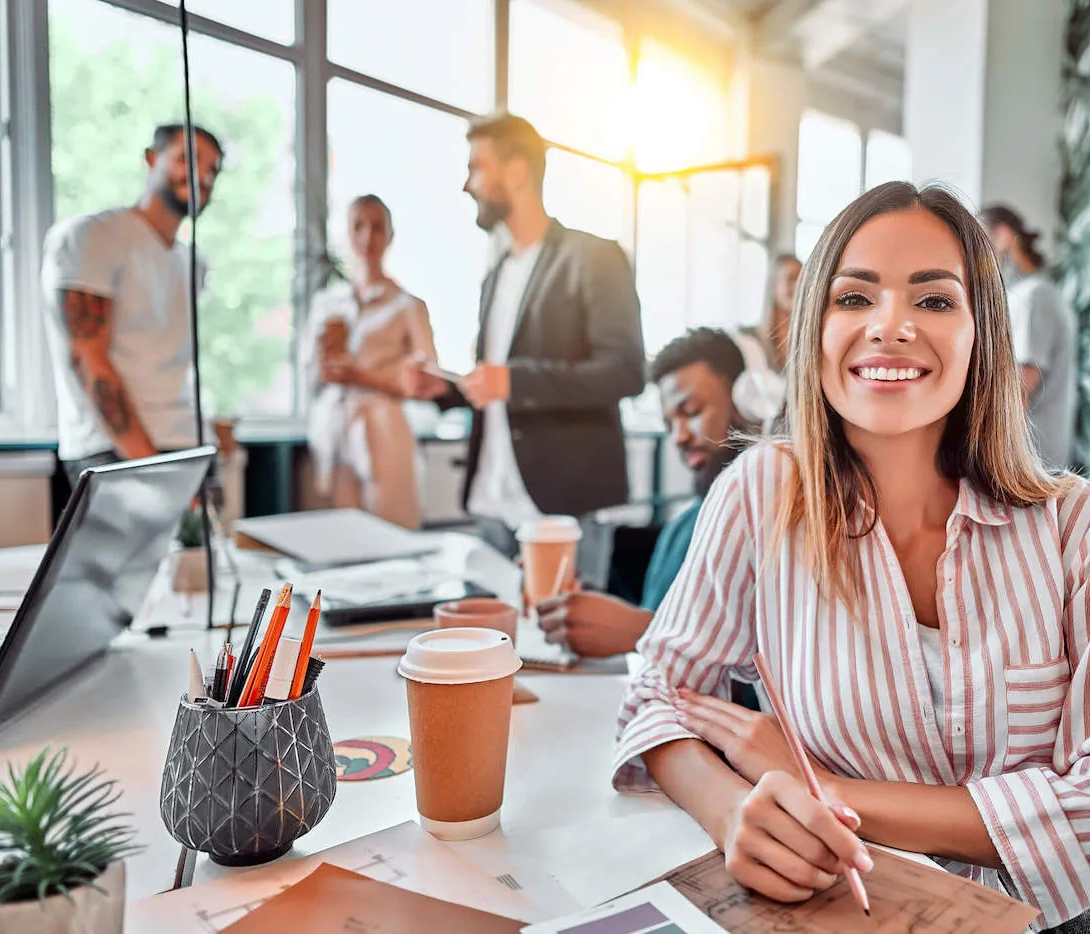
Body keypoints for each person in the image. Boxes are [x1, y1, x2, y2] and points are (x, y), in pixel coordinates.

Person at [613, 182, 1090, 933]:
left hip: (1086, 916)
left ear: (981, 334)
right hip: (865, 902)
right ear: (813, 331)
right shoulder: (763, 493)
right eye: (854, 299)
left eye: (932, 301)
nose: (889, 327)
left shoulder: (1080, 529)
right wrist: (731, 812)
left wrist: (820, 788)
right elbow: (658, 696)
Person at [402, 114, 644, 554]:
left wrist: (514, 380)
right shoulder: (495, 276)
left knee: (562, 625)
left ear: (516, 172)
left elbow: (625, 371)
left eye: (477, 167)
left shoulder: (594, 257)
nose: (467, 184)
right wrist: (447, 388)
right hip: (491, 501)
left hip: (564, 504)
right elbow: (496, 385)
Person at [535, 328, 752, 658]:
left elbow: (772, 674)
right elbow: (654, 617)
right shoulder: (683, 526)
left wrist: (644, 631)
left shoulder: (772, 525)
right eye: (669, 424)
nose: (678, 437)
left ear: (745, 401)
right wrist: (590, 613)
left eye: (691, 412)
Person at [41, 124, 225, 484]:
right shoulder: (93, 236)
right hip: (116, 452)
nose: (202, 176)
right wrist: (152, 466)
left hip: (189, 445)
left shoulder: (193, 262)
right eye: (188, 159)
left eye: (213, 170)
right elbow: (88, 357)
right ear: (152, 159)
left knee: (210, 544)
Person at [302, 195, 437, 529]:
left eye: (377, 228)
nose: (367, 237)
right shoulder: (327, 305)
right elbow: (309, 376)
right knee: (338, 539)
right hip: (335, 430)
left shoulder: (408, 306)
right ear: (346, 233)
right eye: (358, 226)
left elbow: (429, 381)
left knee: (391, 533)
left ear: (389, 236)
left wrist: (362, 376)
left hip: (385, 429)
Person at [981, 205, 1075, 468]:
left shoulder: (1034, 296)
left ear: (1001, 236)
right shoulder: (1029, 294)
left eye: (981, 242)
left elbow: (1021, 388)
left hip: (1029, 457)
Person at [731, 254, 801, 425]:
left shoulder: (807, 339)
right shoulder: (750, 341)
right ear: (774, 285)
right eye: (790, 278)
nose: (798, 285)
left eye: (802, 278)